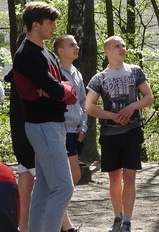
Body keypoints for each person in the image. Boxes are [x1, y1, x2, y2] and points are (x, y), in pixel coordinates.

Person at [12, 1, 77, 232]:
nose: (54, 27)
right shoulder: (28, 54)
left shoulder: (45, 52)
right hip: (42, 125)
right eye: (50, 23)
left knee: (47, 187)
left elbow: (62, 89)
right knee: (63, 188)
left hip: (52, 125)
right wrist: (60, 91)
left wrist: (59, 90)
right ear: (36, 25)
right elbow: (60, 91)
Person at [86, 36, 154, 232]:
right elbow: (89, 106)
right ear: (107, 51)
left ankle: (128, 222)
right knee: (114, 178)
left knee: (130, 176)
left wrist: (133, 106)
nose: (122, 48)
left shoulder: (135, 72)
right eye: (117, 46)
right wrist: (112, 116)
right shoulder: (99, 78)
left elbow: (149, 97)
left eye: (123, 45)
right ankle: (117, 217)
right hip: (110, 135)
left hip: (132, 132)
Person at [55, 34, 88, 232]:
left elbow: (83, 102)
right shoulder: (55, 71)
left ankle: (60, 219)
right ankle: (64, 224)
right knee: (70, 177)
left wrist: (83, 125)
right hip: (61, 130)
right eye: (71, 45)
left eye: (76, 44)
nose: (76, 47)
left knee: (69, 178)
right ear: (60, 51)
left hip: (76, 131)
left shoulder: (76, 72)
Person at [4, 63, 36, 232]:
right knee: (54, 187)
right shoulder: (27, 73)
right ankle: (64, 227)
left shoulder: (20, 73)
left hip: (23, 140)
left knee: (25, 187)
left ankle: (23, 228)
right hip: (32, 141)